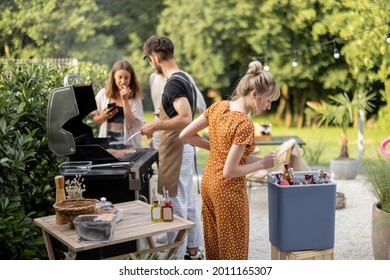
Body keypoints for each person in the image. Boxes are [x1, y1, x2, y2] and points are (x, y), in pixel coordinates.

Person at [179, 60, 280, 260]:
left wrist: (216, 148)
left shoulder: (218, 107)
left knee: (215, 245)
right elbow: (230, 171)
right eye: (268, 101)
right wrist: (261, 164)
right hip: (227, 191)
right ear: (254, 94)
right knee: (233, 249)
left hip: (209, 185)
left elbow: (185, 134)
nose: (268, 106)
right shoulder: (244, 123)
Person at [141, 35, 204, 260]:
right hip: (182, 149)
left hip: (176, 151)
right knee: (184, 205)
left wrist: (155, 125)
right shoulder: (184, 78)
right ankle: (192, 252)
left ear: (156, 57)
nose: (150, 63)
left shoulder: (174, 82)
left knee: (174, 208)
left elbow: (186, 117)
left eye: (149, 59)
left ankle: (173, 261)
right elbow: (188, 111)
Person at [92, 60, 144, 148]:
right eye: (119, 77)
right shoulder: (103, 94)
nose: (123, 81)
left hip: (127, 142)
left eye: (126, 78)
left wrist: (125, 100)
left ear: (131, 79)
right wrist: (103, 116)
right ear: (113, 76)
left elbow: (132, 125)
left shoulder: (135, 97)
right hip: (107, 140)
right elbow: (94, 120)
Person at [148, 72, 206, 150]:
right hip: (158, 141)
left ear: (156, 59)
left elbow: (200, 106)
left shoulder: (179, 79)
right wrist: (165, 112)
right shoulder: (153, 77)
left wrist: (177, 109)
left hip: (180, 144)